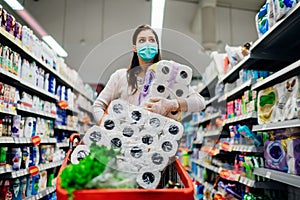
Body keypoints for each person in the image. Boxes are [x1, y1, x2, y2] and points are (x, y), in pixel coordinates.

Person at [93, 24, 206, 124]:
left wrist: (172, 104)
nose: (147, 44)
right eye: (142, 40)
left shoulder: (170, 77)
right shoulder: (120, 76)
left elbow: (200, 102)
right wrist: (108, 127)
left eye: (151, 40)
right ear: (135, 48)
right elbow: (98, 106)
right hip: (125, 143)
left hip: (158, 143)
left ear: (157, 46)